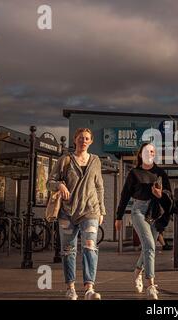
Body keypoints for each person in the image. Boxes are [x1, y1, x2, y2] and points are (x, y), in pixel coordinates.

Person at [47, 128, 106, 300]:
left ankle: (89, 288)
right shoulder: (65, 159)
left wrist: (101, 210)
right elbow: (49, 182)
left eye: (87, 138)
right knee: (68, 250)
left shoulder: (96, 161)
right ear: (75, 140)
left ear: (91, 141)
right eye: (81, 138)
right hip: (67, 212)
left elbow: (99, 187)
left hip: (90, 211)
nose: (84, 141)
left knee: (90, 247)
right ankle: (70, 287)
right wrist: (59, 185)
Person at [115, 143, 173, 300]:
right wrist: (119, 217)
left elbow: (169, 194)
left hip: (156, 212)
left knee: (149, 247)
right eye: (147, 151)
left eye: (153, 151)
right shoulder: (134, 173)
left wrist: (161, 194)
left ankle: (137, 272)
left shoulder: (160, 172)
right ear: (141, 154)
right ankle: (151, 285)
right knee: (149, 246)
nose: (150, 153)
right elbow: (125, 195)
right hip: (139, 211)